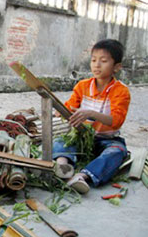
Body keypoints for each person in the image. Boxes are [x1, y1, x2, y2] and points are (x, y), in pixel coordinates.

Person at [53, 39, 131, 194]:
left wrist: (90, 113)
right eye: (94, 60)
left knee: (117, 152)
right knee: (61, 141)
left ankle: (82, 177)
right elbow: (69, 107)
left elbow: (116, 121)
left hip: (108, 139)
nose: (97, 65)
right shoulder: (82, 86)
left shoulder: (121, 92)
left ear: (116, 67)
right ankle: (63, 167)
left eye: (103, 61)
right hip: (82, 136)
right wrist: (59, 110)